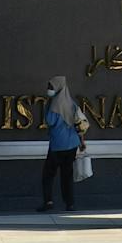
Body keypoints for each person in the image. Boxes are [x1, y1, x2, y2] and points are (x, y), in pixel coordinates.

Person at [36, 76, 88, 213]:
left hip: (57, 145)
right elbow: (79, 124)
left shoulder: (54, 105)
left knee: (48, 174)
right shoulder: (72, 104)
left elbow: (50, 121)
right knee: (67, 175)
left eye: (51, 87)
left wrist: (48, 107)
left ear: (58, 88)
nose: (49, 89)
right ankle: (70, 203)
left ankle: (48, 201)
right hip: (72, 145)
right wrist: (82, 142)